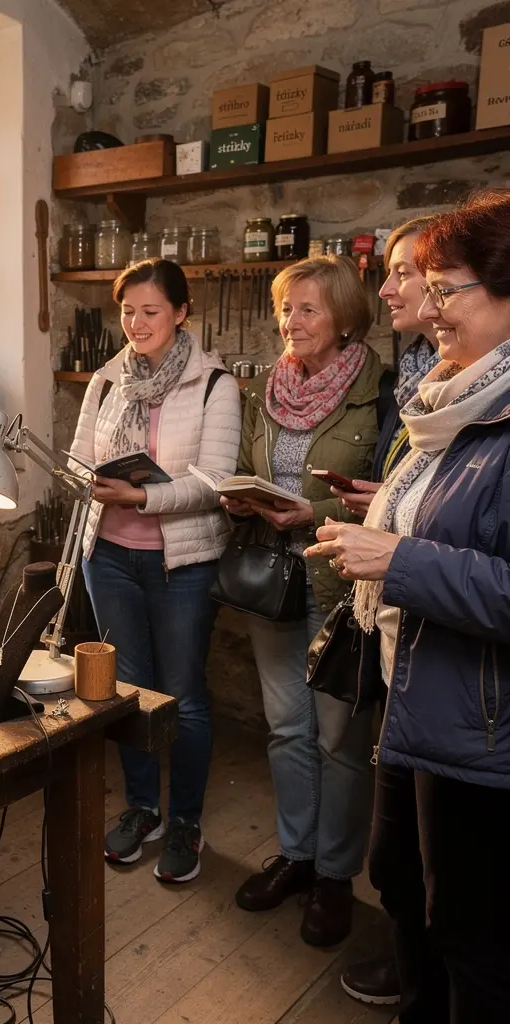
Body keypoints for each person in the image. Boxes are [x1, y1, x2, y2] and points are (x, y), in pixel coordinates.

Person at [309, 191, 510, 1022]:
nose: (431, 306)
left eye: (447, 286)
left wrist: (400, 558)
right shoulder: (455, 401)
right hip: (422, 690)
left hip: (483, 727)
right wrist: (380, 531)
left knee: (475, 938)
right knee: (418, 894)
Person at [222, 256, 384, 947]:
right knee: (287, 729)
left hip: (341, 584)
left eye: (309, 309)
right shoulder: (268, 387)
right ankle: (297, 855)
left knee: (341, 740)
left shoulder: (383, 393)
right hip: (275, 582)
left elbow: (388, 490)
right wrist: (240, 497)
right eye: (287, 308)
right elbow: (256, 469)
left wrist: (306, 511)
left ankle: (335, 879)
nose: (292, 322)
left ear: (344, 318)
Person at [70, 258, 241, 883]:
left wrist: (142, 496)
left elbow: (215, 482)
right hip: (108, 556)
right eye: (127, 312)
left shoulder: (214, 384)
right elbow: (81, 455)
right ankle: (144, 809)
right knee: (128, 691)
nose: (135, 324)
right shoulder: (107, 379)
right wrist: (90, 479)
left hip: (183, 562)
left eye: (149, 311)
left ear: (180, 313)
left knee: (185, 695)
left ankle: (187, 820)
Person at [333, 218, 438, 1007]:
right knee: (402, 861)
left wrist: (395, 551)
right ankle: (416, 977)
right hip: (409, 653)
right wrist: (385, 503)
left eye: (408, 273)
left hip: (453, 678)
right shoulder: (425, 380)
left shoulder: (476, 405)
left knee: (446, 880)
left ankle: (426, 985)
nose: (390, 288)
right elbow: (426, 494)